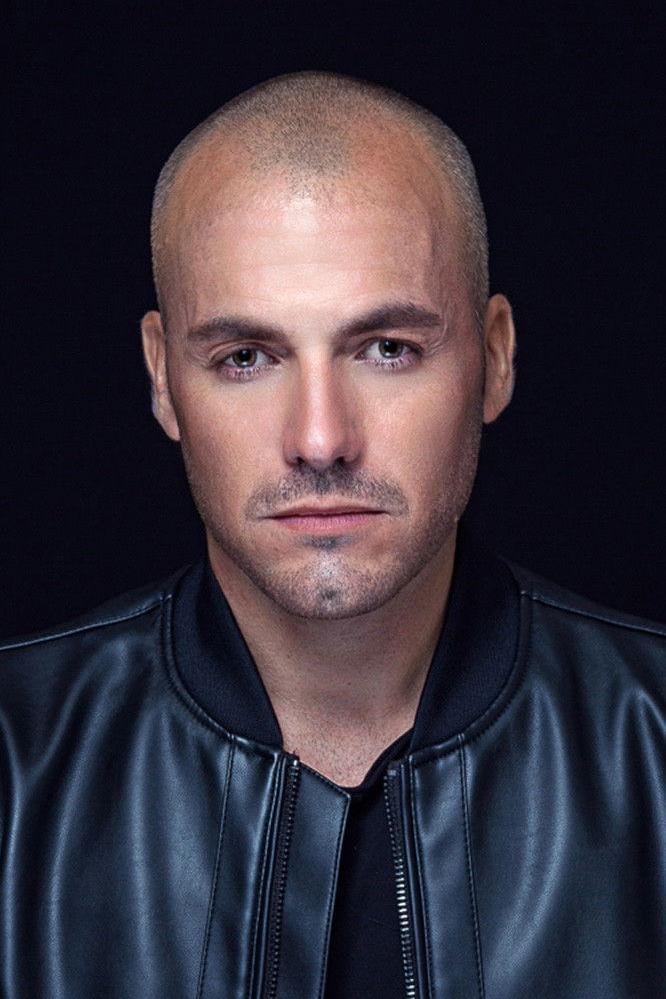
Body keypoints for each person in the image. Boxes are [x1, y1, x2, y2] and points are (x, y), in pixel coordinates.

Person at [0, 72, 664, 999]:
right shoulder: (16, 765)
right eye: (246, 357)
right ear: (161, 378)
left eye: (388, 348)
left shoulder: (651, 745)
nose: (319, 439)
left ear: (495, 356)